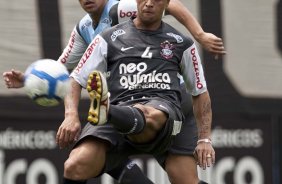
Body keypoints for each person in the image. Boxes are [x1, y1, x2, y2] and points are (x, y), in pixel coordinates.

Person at [3, 0, 220, 183]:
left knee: (178, 167)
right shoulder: (87, 30)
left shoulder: (122, 9)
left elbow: (171, 5)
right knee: (75, 165)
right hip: (120, 103)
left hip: (169, 100)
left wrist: (200, 35)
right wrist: (31, 81)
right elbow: (63, 73)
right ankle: (109, 111)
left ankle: (109, 111)